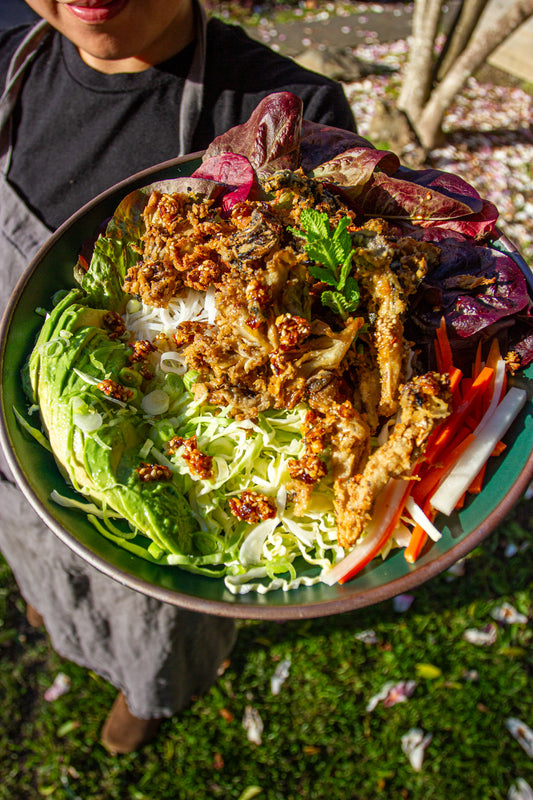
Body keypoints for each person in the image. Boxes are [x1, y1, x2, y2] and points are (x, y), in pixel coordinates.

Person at [0, 0, 357, 755]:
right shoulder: (9, 64)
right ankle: (57, 616)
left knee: (160, 615)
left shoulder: (282, 112)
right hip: (18, 435)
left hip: (200, 478)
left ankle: (153, 694)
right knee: (36, 547)